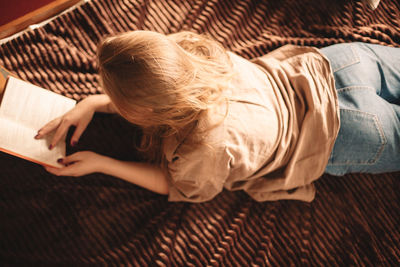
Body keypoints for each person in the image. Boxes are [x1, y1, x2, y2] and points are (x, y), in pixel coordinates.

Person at [35, 31, 400, 203]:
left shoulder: (200, 148)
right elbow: (160, 85)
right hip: (340, 65)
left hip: (348, 131)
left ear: (146, 113)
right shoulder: (190, 48)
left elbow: (174, 185)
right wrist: (93, 103)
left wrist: (103, 163)